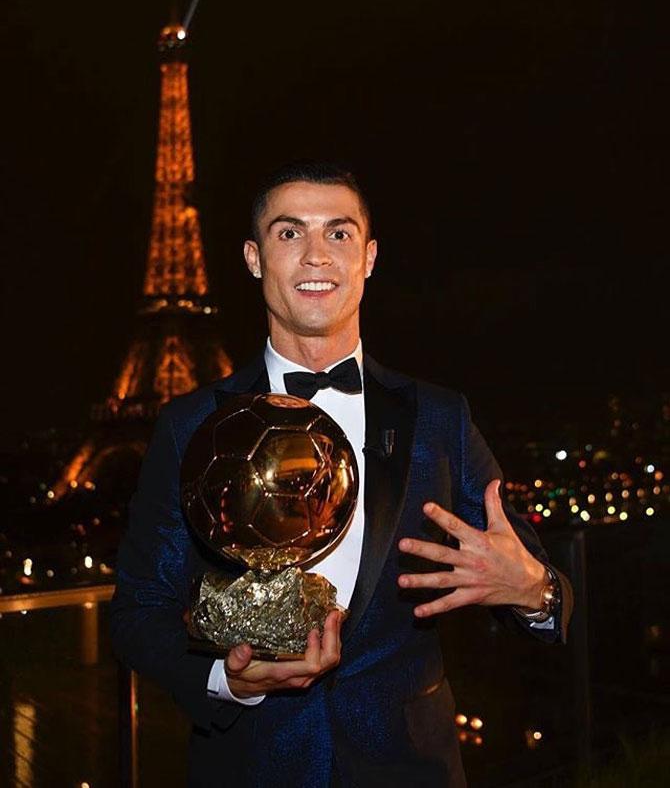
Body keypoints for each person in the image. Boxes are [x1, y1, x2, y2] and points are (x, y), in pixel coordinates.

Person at [110, 162, 573, 787]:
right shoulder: (190, 427)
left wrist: (533, 590)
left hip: (410, 770)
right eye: (288, 233)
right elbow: (139, 611)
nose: (315, 257)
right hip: (250, 768)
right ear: (253, 257)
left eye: (339, 234)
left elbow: (541, 582)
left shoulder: (439, 418)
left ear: (370, 257)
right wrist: (227, 679)